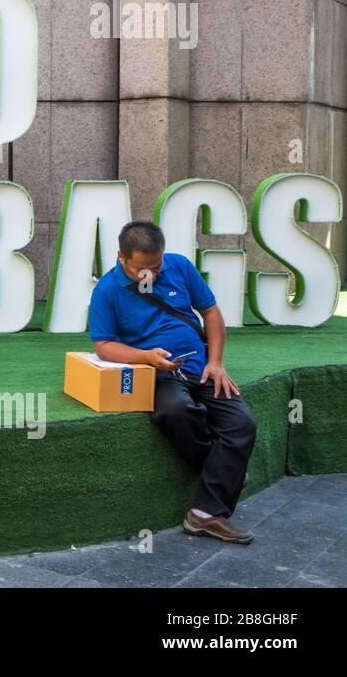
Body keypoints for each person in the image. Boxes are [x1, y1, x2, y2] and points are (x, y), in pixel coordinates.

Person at [88, 220, 257, 544]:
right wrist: (146, 356)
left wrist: (217, 362)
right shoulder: (107, 291)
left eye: (157, 265)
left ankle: (202, 515)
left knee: (242, 423)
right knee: (175, 411)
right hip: (157, 372)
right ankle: (223, 477)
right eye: (142, 268)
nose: (151, 273)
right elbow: (104, 345)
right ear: (121, 258)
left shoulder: (179, 265)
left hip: (202, 367)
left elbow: (210, 312)